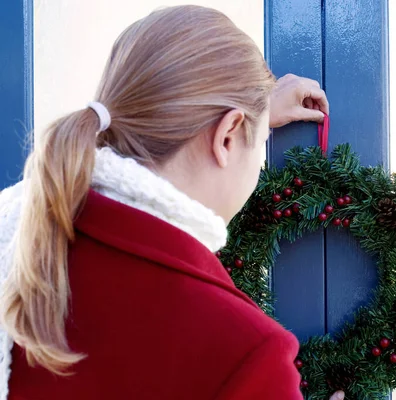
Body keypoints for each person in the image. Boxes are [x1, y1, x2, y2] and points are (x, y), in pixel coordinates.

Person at [0, 6, 344, 400]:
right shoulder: (245, 352)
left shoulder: (25, 232)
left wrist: (252, 111)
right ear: (227, 135)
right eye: (260, 143)